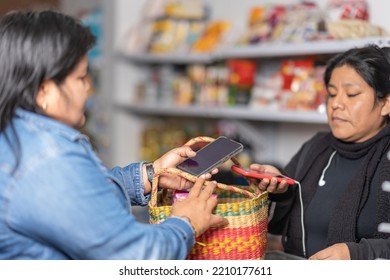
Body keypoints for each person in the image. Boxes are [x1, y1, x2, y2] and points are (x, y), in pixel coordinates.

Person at [0, 10, 228, 260]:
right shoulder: (49, 159)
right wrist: (187, 221)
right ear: (44, 91)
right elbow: (135, 256)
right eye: (81, 78)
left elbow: (82, 199)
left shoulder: (19, 137)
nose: (88, 88)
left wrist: (151, 174)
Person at [250, 44, 390, 260]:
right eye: (332, 94)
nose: (336, 104)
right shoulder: (316, 148)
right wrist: (280, 190)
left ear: (386, 103)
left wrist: (357, 255)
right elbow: (275, 225)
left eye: (351, 94)